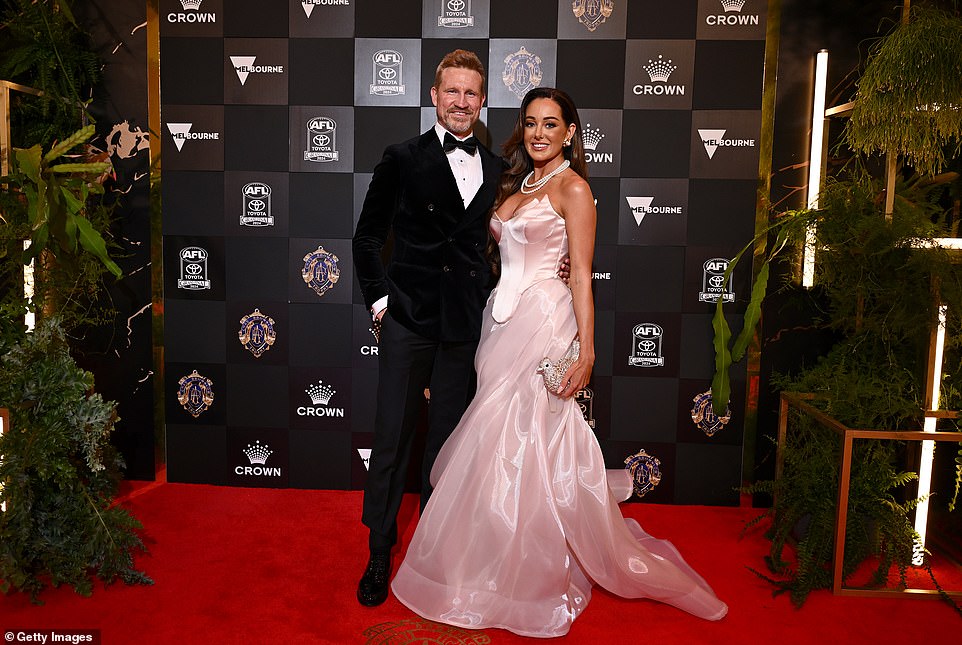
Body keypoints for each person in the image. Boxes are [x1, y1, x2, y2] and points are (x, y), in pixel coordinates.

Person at [390, 87, 729, 637]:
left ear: (571, 131)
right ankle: (482, 555)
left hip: (544, 321)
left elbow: (582, 275)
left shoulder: (574, 189)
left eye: (551, 123)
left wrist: (587, 350)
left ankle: (521, 571)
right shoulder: (516, 183)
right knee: (494, 437)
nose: (539, 133)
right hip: (499, 320)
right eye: (530, 123)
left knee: (522, 435)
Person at [351, 50, 504, 607]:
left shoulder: (494, 168)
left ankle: (437, 557)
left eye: (471, 93)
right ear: (434, 96)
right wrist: (379, 302)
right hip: (408, 318)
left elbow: (500, 243)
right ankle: (378, 551)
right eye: (452, 91)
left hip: (463, 327)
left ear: (481, 100)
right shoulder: (401, 158)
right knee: (392, 440)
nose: (461, 102)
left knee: (447, 444)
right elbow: (366, 239)